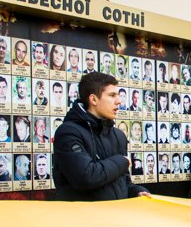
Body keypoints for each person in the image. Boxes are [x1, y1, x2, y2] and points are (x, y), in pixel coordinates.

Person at [53, 72, 148, 201]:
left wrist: (136, 192)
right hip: (83, 214)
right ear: (93, 99)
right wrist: (121, 161)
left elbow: (123, 182)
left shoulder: (118, 135)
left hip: (116, 213)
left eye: (118, 95)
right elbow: (85, 177)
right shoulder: (68, 132)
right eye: (112, 95)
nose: (119, 101)